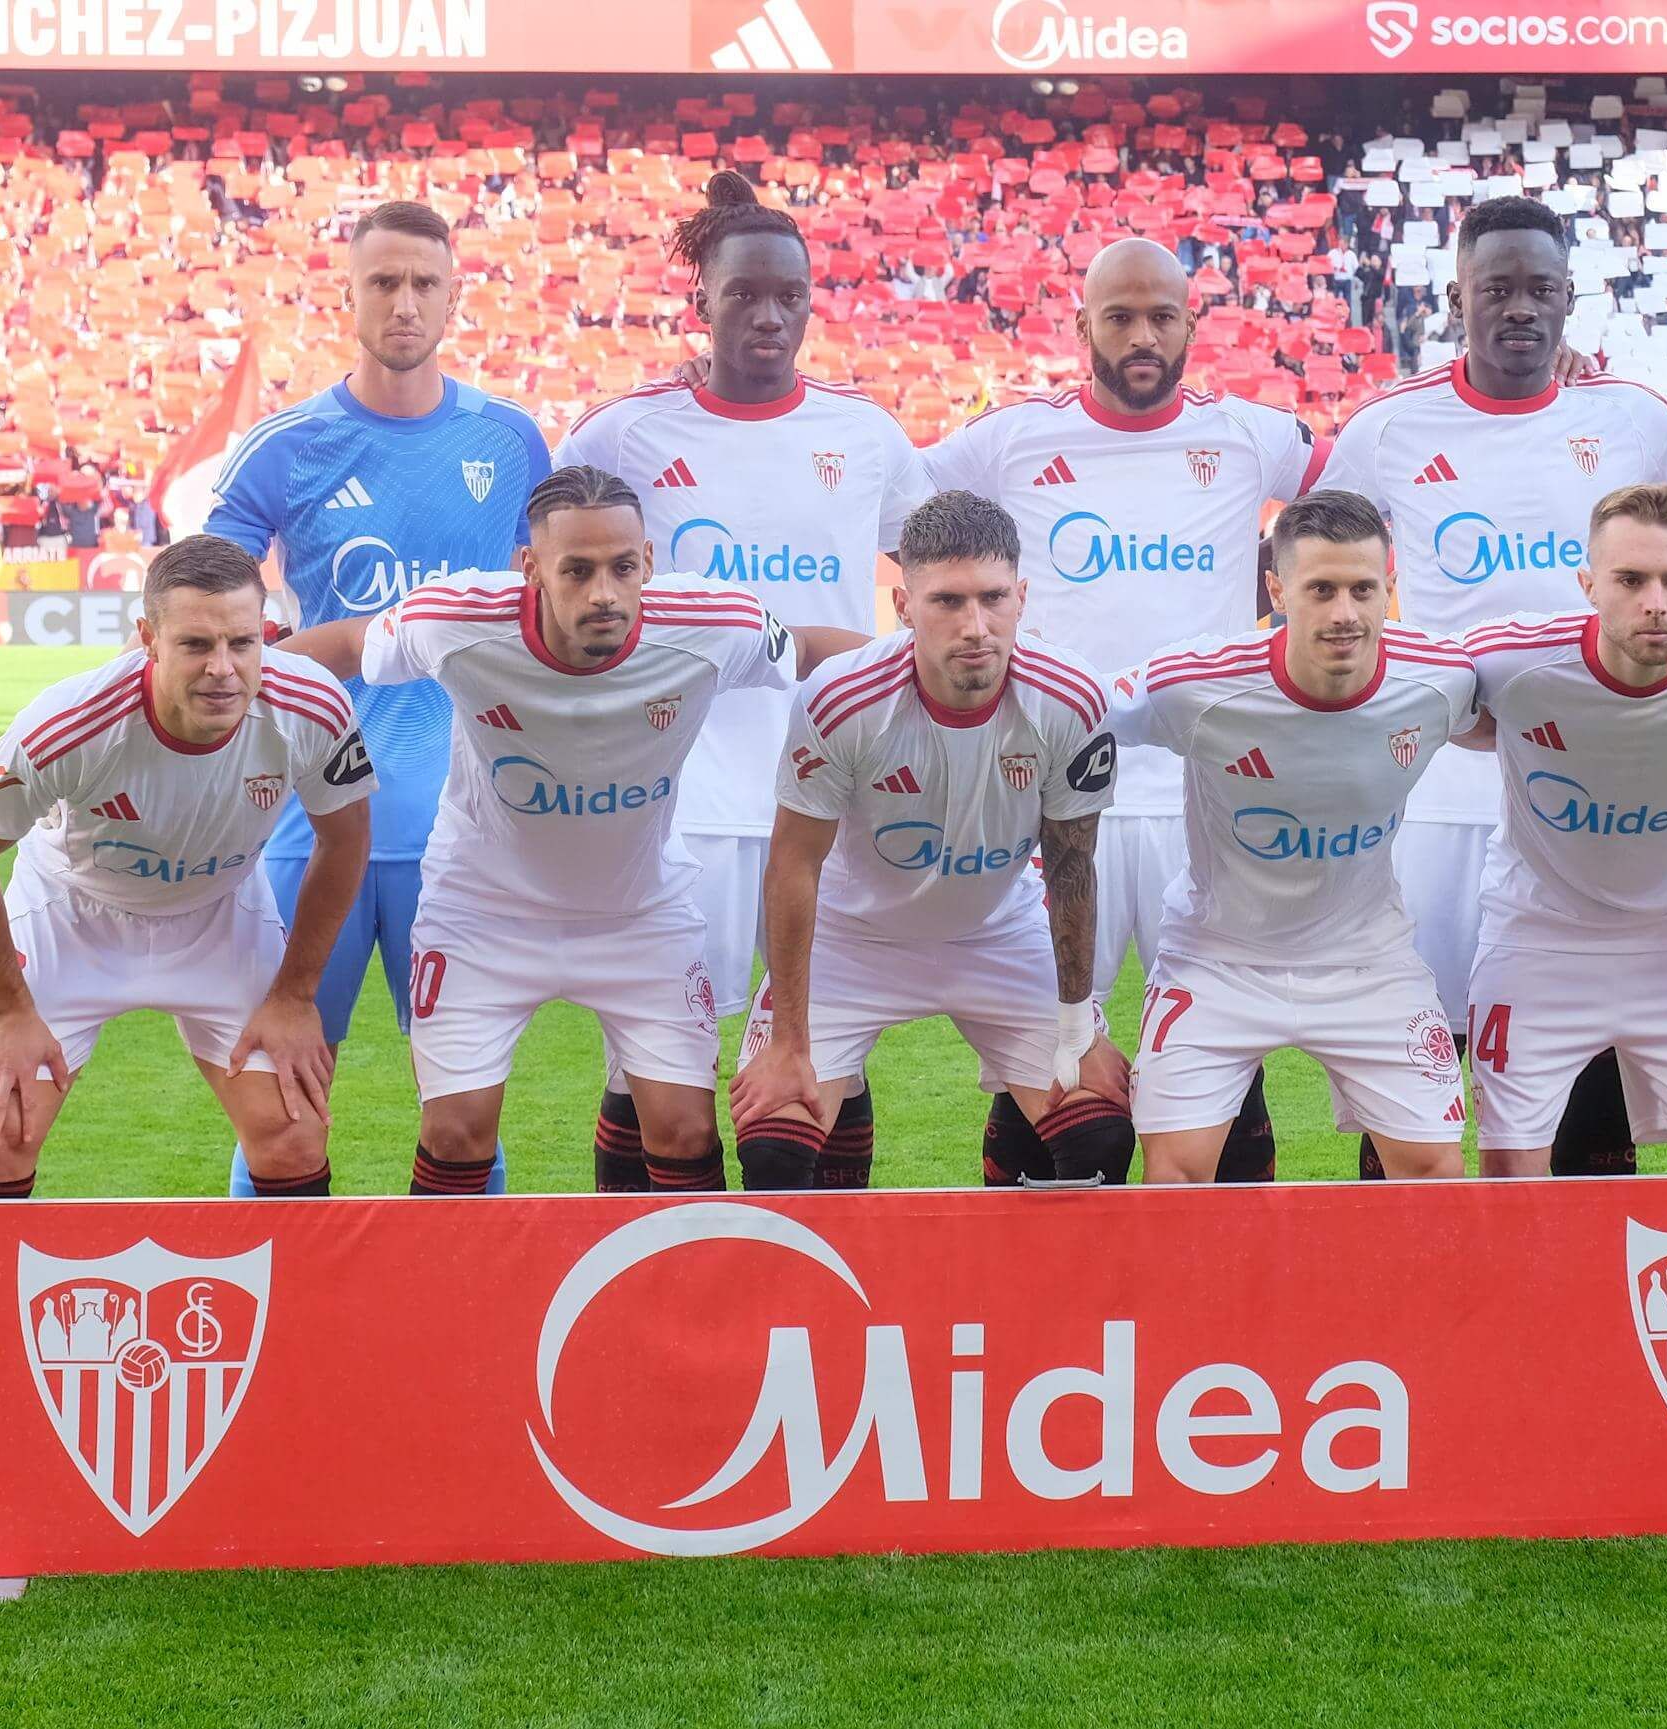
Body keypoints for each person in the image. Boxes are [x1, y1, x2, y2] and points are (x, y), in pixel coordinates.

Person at [278, 466, 860, 1196]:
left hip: (641, 914)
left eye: (622, 567)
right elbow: (348, 642)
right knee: (456, 1132)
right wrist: (243, 677)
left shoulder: (716, 624)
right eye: (577, 570)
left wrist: (920, 665)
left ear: (649, 561)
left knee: (685, 1131)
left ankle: (680, 1274)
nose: (604, 593)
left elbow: (805, 649)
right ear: (531, 568)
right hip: (482, 914)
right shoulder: (454, 620)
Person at [1318, 194, 1667, 1180]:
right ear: (1456, 295)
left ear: (1569, 297)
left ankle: (1579, 1276)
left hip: (1592, 806)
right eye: (1496, 287)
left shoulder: (1634, 420)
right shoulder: (1386, 429)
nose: (1519, 308)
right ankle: (1408, 1271)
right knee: (1413, 1074)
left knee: (1586, 1078)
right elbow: (1318, 576)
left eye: (1540, 288)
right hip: (1436, 795)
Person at [556, 170, 932, 1192]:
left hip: (830, 796)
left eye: (788, 297)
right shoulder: (620, 435)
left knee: (829, 1061)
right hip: (677, 800)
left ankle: (821, 1264)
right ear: (701, 302)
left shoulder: (864, 436)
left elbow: (936, 574)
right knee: (652, 1065)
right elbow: (554, 583)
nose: (769, 316)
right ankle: (651, 1265)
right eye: (744, 295)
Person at [923, 236, 1323, 1185]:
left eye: (1161, 317)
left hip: (1206, 795)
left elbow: (1387, 469)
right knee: (1049, 1047)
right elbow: (879, 488)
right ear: (1083, 326)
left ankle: (1224, 1261)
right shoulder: (1010, 439)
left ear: (1192, 323)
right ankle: (1047, 1254)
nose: (1142, 336)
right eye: (1120, 317)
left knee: (1225, 1038)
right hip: (1056, 796)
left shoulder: (1251, 436)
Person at [202, 199, 552, 1199]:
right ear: (348, 295)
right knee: (282, 1111)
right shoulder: (288, 445)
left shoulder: (512, 442)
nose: (404, 303)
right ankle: (282, 1295)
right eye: (384, 282)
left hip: (463, 828)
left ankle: (461, 1296)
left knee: (464, 1121)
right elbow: (203, 599)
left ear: (453, 295)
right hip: (314, 825)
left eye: (423, 283)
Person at [0, 536, 375, 1200]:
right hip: (69, 915)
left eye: (242, 643)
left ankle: (293, 1278)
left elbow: (345, 839)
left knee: (292, 1136)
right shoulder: (70, 723)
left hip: (220, 913)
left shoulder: (313, 705)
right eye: (196, 644)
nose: (223, 668)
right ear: (148, 639)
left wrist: (293, 996)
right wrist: (10, 1008)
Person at [728, 491, 1130, 1190]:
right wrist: (789, 1041)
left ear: (1021, 597)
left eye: (993, 598)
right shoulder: (842, 698)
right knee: (775, 1147)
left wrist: (1077, 1031)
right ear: (904, 606)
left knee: (1098, 1128)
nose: (975, 626)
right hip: (852, 941)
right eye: (947, 601)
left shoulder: (1072, 697)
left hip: (998, 932)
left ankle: (1022, 1246)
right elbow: (794, 864)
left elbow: (1071, 866)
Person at [1102, 490, 1481, 1182]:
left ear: (1390, 586)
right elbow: (1073, 713)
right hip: (1218, 961)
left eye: (1363, 589)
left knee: (1436, 1176)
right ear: (1277, 591)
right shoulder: (1194, 684)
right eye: (1321, 589)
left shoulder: (1442, 678)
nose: (1345, 613)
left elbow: (1525, 715)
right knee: (1173, 1179)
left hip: (1368, 961)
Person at [1459, 485, 1667, 1176]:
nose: (1656, 602)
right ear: (1588, 585)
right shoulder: (1510, 660)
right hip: (1535, 936)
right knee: (1511, 1168)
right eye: (1631, 580)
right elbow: (1419, 695)